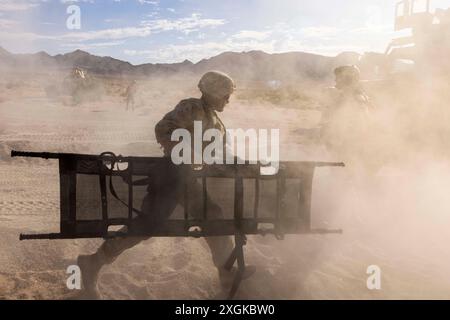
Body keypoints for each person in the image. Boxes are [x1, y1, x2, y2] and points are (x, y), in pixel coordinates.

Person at [77, 71, 237, 298]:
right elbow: (163, 129)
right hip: (171, 177)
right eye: (225, 95)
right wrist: (187, 152)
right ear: (211, 92)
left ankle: (227, 274)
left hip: (186, 179)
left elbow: (219, 150)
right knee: (148, 225)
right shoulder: (191, 108)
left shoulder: (213, 118)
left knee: (214, 218)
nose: (227, 100)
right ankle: (93, 262)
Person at [319, 65, 374, 155]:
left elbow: (359, 126)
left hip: (349, 148)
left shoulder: (355, 98)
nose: (335, 80)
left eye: (338, 77)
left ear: (347, 79)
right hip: (345, 146)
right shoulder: (348, 95)